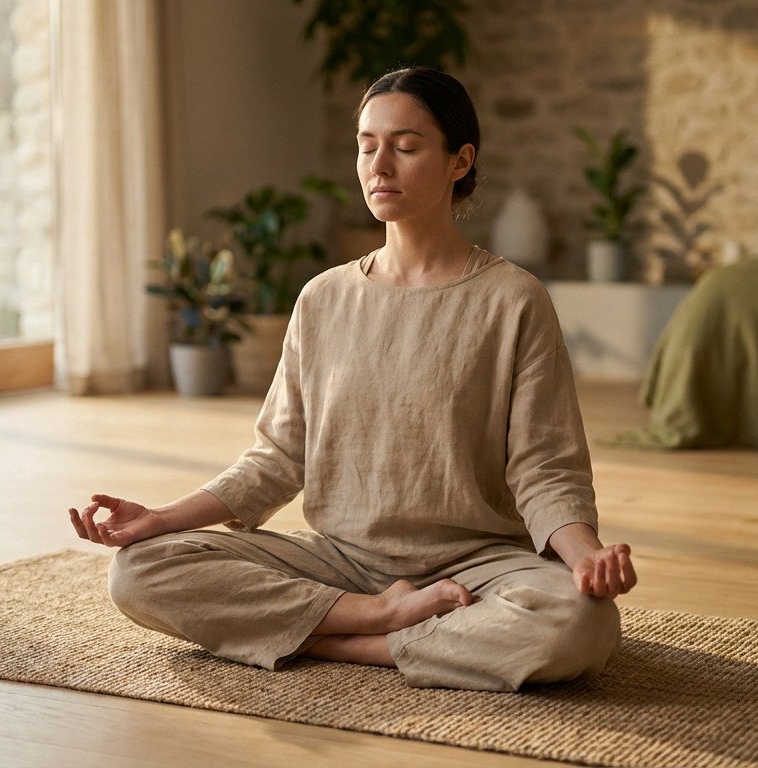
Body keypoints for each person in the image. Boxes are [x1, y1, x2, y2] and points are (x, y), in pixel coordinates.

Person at [68, 67, 636, 692]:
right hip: (340, 561)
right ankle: (377, 623)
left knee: (580, 623)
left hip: (478, 565)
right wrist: (164, 518)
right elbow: (278, 457)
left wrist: (586, 560)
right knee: (140, 571)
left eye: (407, 146)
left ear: (459, 161)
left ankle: (348, 643)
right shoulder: (323, 297)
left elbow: (544, 467)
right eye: (367, 145)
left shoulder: (514, 299)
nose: (379, 165)